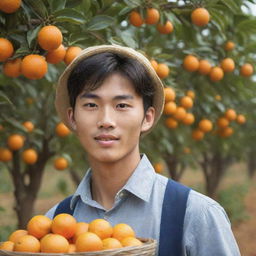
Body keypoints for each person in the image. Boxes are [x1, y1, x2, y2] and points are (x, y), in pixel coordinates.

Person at [46, 45, 241, 255]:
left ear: (147, 118)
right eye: (91, 105)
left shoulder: (196, 216)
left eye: (121, 105)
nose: (106, 121)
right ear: (73, 118)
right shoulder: (53, 224)